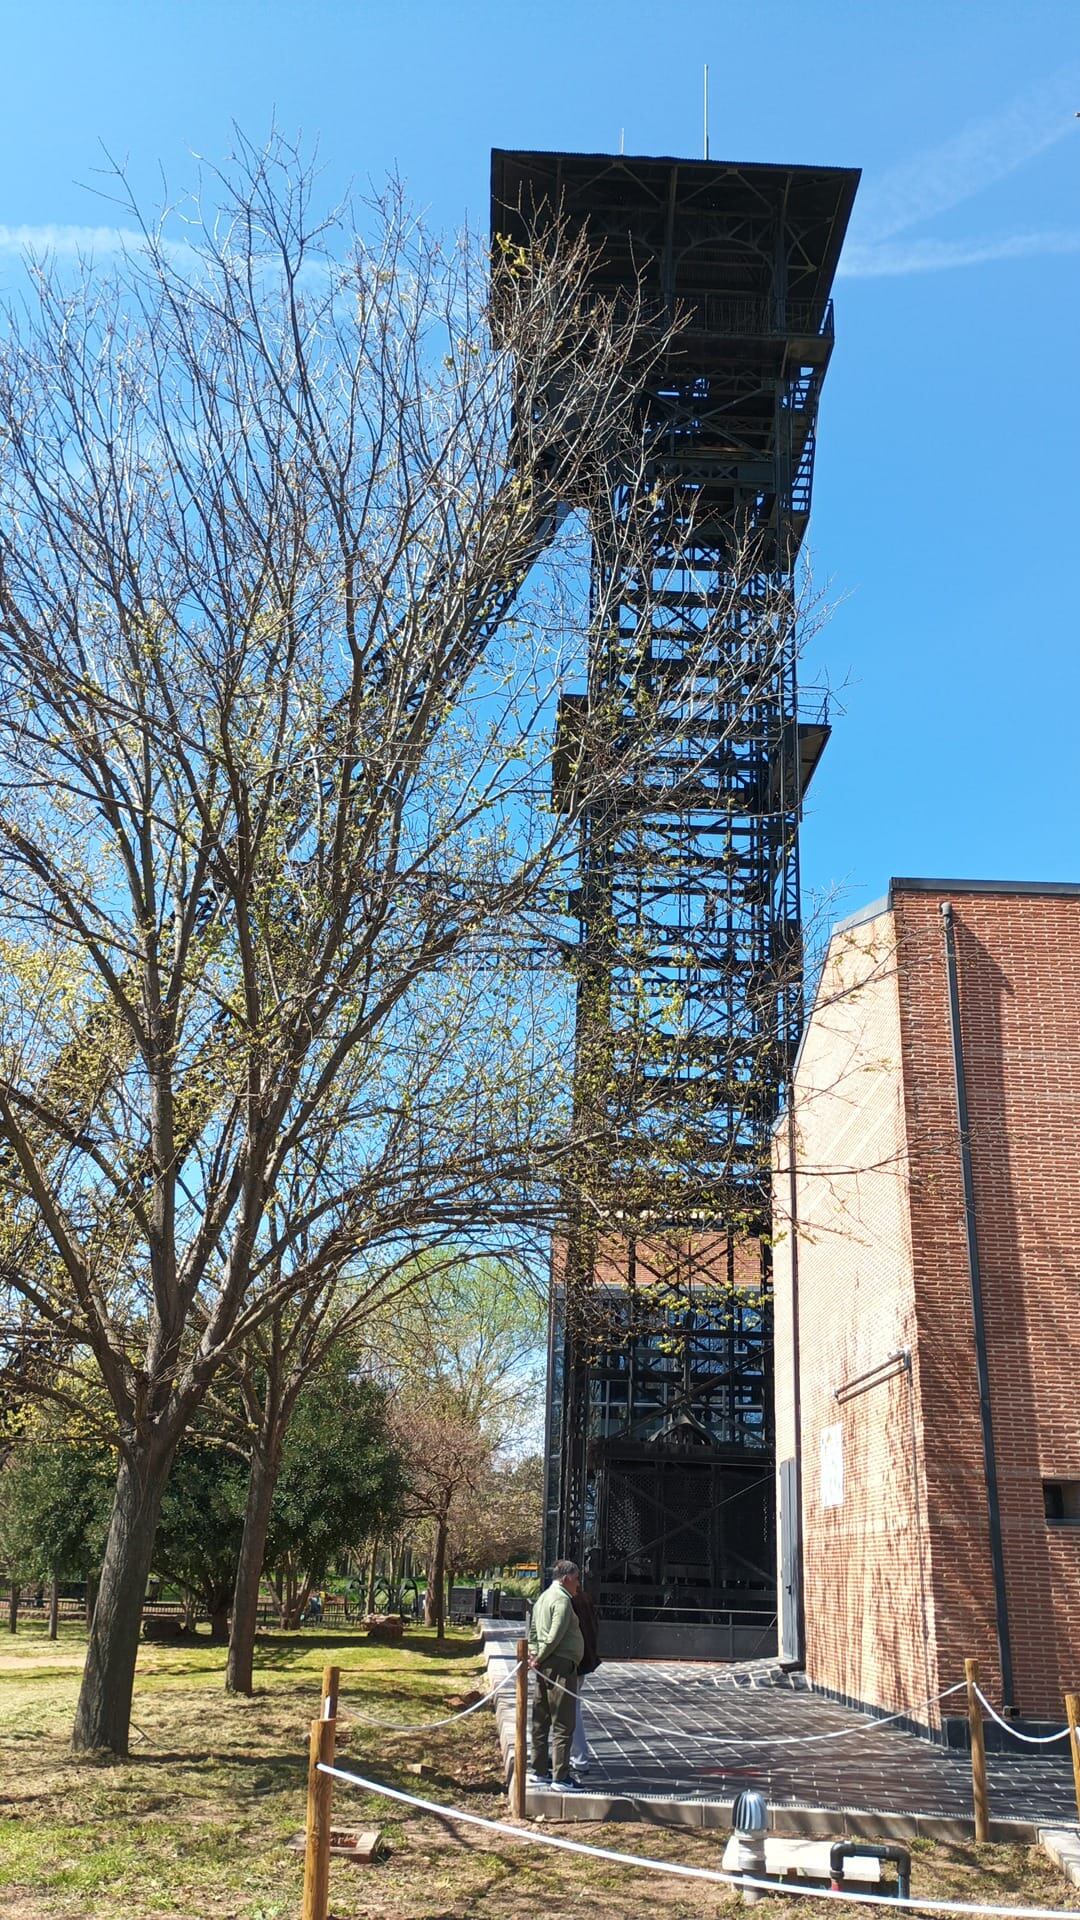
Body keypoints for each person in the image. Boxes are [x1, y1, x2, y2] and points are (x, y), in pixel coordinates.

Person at [527, 1558, 584, 1788]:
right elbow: (555, 1634)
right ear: (566, 1578)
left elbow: (533, 1630)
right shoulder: (562, 1600)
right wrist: (539, 1657)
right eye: (577, 1579)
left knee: (541, 1718)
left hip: (544, 1665)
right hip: (559, 1666)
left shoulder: (543, 1598)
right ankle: (561, 1776)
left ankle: (538, 1769)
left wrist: (534, 1654)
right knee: (563, 1721)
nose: (578, 1585)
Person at [569, 1582, 600, 1773]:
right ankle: (573, 1755)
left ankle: (579, 1758)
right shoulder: (585, 1600)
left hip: (575, 1662)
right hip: (583, 1660)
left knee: (571, 1710)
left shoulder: (571, 1602)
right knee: (572, 1708)